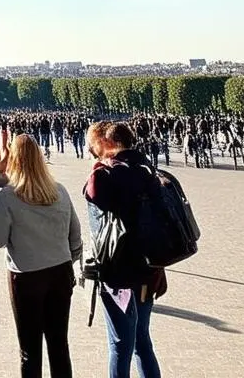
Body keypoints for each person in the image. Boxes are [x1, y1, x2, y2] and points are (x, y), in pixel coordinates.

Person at [0, 134, 82, 378]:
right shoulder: (59, 190)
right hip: (60, 271)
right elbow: (75, 235)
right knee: (59, 345)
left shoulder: (8, 196)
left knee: (30, 350)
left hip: (26, 277)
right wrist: (67, 261)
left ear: (13, 162)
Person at [83, 121, 164, 378]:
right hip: (150, 270)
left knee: (119, 345)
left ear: (108, 143)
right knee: (143, 343)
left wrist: (99, 166)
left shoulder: (110, 174)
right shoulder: (148, 169)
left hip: (120, 274)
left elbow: (90, 192)